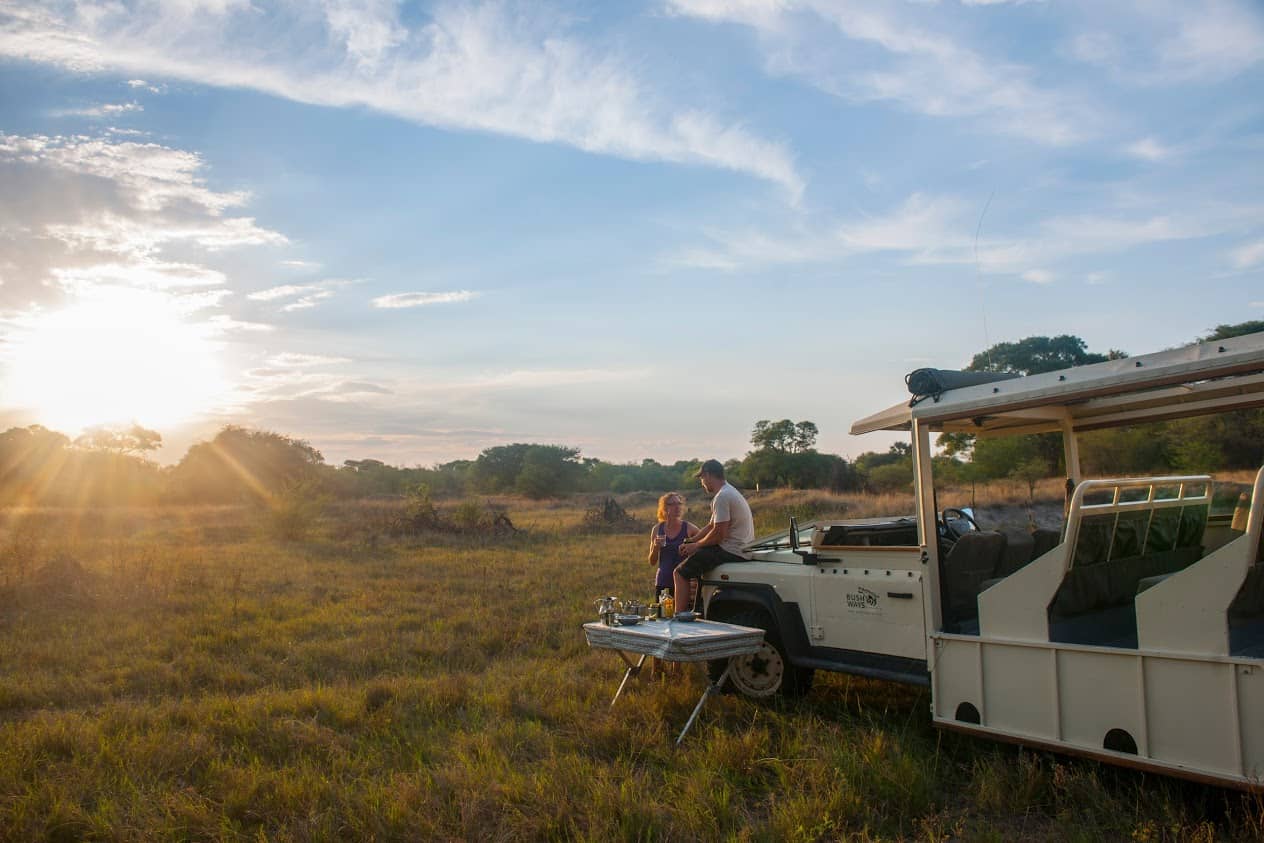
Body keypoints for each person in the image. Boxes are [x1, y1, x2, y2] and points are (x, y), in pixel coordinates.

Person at [675, 459, 754, 611]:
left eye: (702, 478)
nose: (702, 482)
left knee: (679, 573)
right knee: (694, 566)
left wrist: (695, 546)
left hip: (731, 550)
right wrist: (691, 541)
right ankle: (696, 608)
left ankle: (678, 617)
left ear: (708, 475)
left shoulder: (722, 497)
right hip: (740, 549)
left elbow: (719, 534)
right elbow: (712, 526)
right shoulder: (728, 491)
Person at [648, 492, 700, 603]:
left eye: (679, 504)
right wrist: (656, 547)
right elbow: (652, 562)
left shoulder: (689, 528)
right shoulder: (657, 529)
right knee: (663, 617)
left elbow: (703, 547)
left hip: (684, 582)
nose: (677, 507)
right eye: (673, 504)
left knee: (682, 617)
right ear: (665, 507)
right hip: (663, 582)